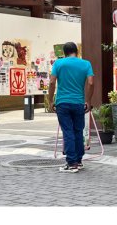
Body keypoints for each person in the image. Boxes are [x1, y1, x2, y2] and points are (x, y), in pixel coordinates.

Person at [49, 42, 94, 173]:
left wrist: (50, 100)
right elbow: (91, 83)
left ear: (64, 52)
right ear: (77, 51)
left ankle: (71, 162)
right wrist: (88, 101)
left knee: (68, 131)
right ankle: (79, 161)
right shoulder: (86, 64)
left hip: (62, 102)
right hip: (79, 103)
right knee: (78, 131)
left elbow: (52, 82)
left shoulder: (58, 63)